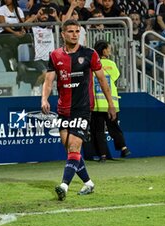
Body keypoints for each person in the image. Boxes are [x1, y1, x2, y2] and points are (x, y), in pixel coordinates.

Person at [41, 19, 116, 200]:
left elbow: (102, 80)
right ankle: (88, 183)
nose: (74, 34)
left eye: (77, 31)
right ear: (63, 34)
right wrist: (44, 98)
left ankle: (64, 186)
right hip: (63, 109)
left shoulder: (90, 54)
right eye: (71, 31)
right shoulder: (55, 55)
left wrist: (110, 103)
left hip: (82, 109)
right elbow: (48, 81)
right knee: (69, 148)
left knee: (74, 146)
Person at [91, 40, 131, 163]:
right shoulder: (112, 64)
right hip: (110, 103)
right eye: (109, 49)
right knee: (114, 127)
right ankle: (123, 148)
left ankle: (102, 155)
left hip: (97, 103)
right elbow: (115, 76)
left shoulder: (92, 64)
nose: (110, 51)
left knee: (98, 130)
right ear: (104, 51)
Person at [0, 0, 30, 71]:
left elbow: (22, 24)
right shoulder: (2, 9)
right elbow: (4, 26)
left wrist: (23, 31)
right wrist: (14, 33)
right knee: (14, 39)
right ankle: (15, 60)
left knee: (28, 38)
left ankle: (28, 62)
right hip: (5, 33)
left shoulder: (18, 10)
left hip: (17, 31)